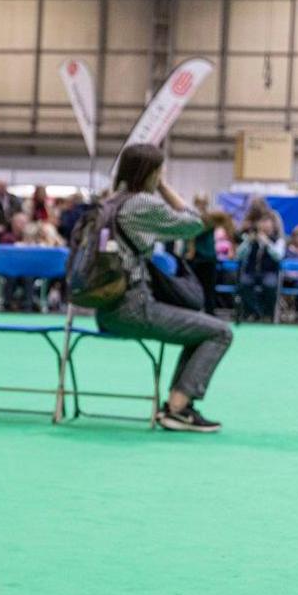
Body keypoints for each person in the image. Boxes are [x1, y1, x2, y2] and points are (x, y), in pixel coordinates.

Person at [94, 143, 232, 432]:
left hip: (105, 309)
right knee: (220, 331)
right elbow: (195, 223)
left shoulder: (108, 203)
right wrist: (165, 188)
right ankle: (177, 410)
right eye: (160, 169)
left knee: (201, 329)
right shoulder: (143, 204)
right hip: (134, 309)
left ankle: (179, 407)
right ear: (151, 173)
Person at [235, 215, 284, 321]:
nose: (264, 225)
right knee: (243, 283)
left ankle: (267, 314)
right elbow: (239, 255)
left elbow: (278, 256)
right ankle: (255, 312)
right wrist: (247, 241)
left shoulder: (278, 240)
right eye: (262, 222)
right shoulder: (251, 239)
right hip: (251, 272)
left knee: (270, 285)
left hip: (269, 272)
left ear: (272, 226)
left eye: (267, 223)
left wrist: (267, 243)